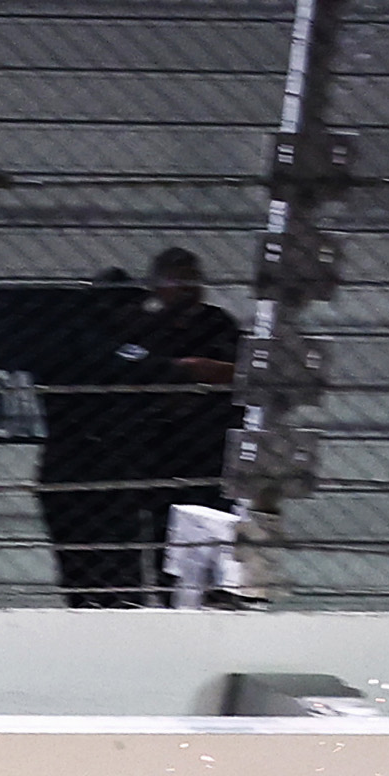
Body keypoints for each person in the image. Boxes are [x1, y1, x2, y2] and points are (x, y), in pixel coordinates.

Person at [105, 247, 244, 593]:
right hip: (158, 454)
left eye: (191, 278)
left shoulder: (218, 324)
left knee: (215, 540)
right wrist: (182, 371)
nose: (185, 287)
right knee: (162, 544)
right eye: (175, 279)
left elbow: (240, 373)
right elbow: (132, 371)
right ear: (155, 286)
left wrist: (199, 371)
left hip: (209, 454)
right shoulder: (141, 325)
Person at [29, 266, 147, 605]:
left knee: (86, 578)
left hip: (79, 475)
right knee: (112, 578)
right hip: (90, 475)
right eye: (129, 307)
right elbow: (134, 366)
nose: (136, 315)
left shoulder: (67, 340)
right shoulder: (92, 347)